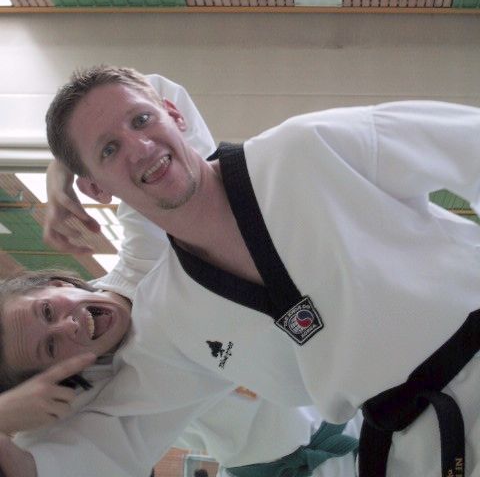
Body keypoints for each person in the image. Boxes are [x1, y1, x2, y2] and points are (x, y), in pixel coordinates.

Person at [4, 65, 480, 476]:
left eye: (143, 120)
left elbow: (468, 145)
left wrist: (64, 164)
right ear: (96, 188)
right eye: (109, 150)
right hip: (414, 442)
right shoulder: (168, 324)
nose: (139, 147)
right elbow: (97, 446)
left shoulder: (304, 150)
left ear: (174, 115)